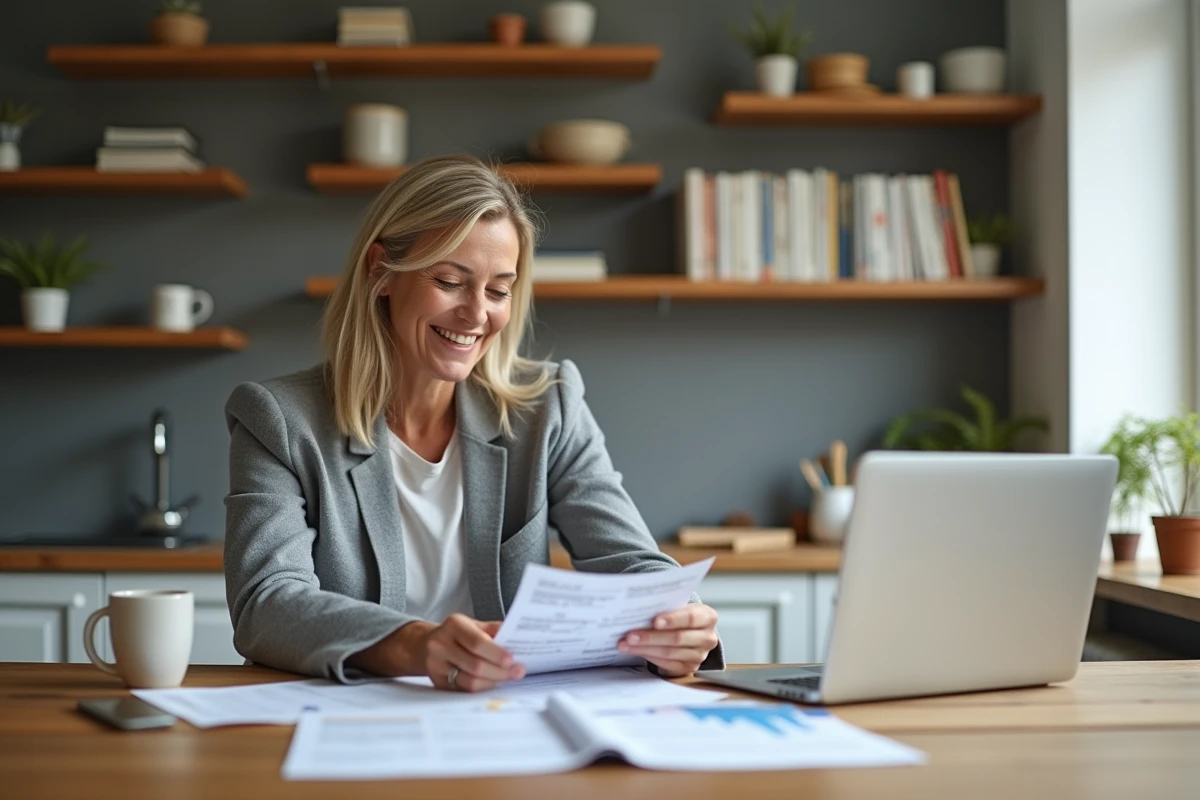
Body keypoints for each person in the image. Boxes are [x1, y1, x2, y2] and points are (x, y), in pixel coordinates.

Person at [223, 154, 723, 691]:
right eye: (450, 281)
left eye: (498, 290)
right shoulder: (279, 420)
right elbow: (266, 602)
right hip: (350, 713)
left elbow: (627, 558)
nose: (477, 314)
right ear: (381, 272)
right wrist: (415, 644)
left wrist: (677, 620)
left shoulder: (547, 407)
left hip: (504, 708)